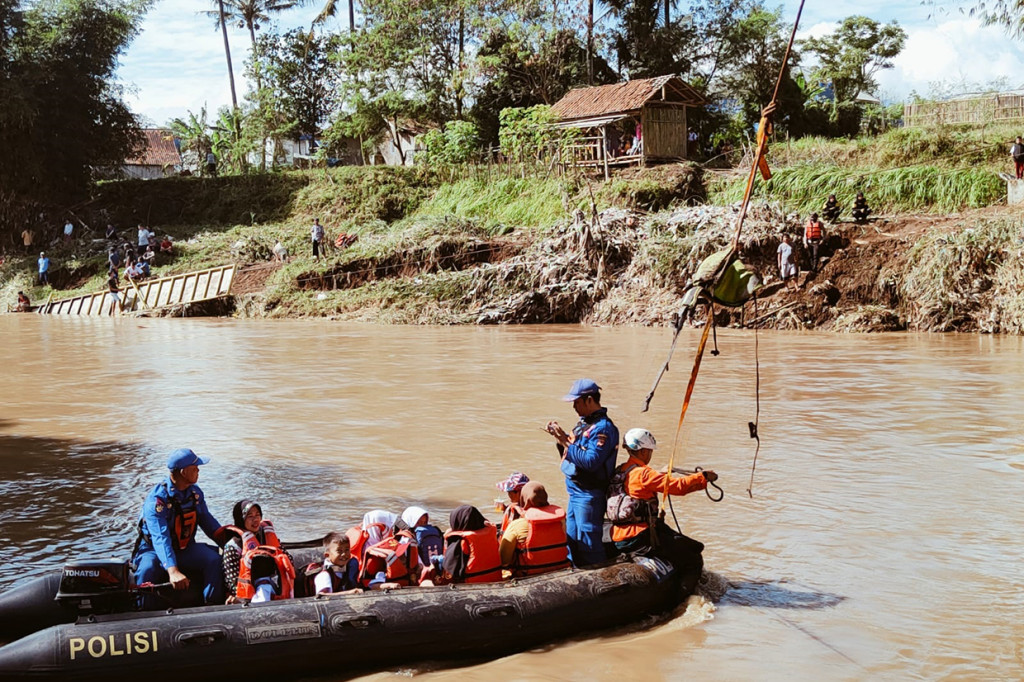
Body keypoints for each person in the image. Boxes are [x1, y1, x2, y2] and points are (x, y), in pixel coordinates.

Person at [606, 428, 714, 573]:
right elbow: (678, 487)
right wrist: (703, 477)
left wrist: (660, 473)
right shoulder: (644, 473)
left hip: (618, 534)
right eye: (650, 451)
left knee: (689, 544)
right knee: (693, 555)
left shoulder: (621, 471)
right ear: (643, 451)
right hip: (639, 535)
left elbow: (640, 486)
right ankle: (686, 594)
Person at [132, 448, 227, 608]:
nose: (198, 470)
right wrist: (172, 570)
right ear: (184, 472)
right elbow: (160, 538)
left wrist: (231, 543)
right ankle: (143, 613)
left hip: (185, 548)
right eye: (195, 467)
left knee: (214, 560)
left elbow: (208, 523)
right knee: (147, 570)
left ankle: (212, 605)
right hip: (153, 550)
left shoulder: (195, 494)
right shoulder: (157, 501)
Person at [544, 378, 619, 566]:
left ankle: (599, 580)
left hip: (589, 494)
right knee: (572, 540)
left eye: (577, 402)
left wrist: (565, 441)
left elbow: (590, 462)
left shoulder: (603, 428)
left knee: (589, 542)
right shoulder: (582, 425)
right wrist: (559, 439)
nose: (574, 407)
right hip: (575, 492)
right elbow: (570, 454)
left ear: (589, 400)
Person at [499, 481, 570, 578]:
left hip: (529, 575)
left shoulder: (517, 525)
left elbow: (503, 560)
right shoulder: (561, 521)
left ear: (523, 499)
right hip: (560, 569)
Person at [222, 499, 281, 599]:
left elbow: (285, 558)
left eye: (258, 515)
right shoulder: (233, 546)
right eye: (250, 516)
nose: (256, 520)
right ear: (241, 519)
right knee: (264, 588)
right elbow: (231, 581)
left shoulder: (267, 536)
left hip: (274, 583)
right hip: (251, 589)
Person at [441, 505, 502, 584]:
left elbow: (451, 570)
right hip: (496, 579)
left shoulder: (461, 541)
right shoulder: (491, 533)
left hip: (472, 584)